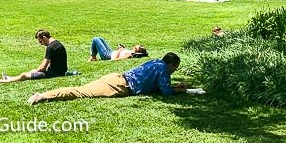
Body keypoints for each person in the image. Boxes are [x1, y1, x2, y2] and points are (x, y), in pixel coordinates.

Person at [28, 52, 187, 105]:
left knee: (81, 88)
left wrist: (174, 87)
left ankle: (44, 95)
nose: (174, 71)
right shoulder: (164, 69)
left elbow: (158, 87)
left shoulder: (156, 62)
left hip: (116, 77)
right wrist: (179, 91)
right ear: (171, 64)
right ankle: (43, 96)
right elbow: (165, 92)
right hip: (120, 86)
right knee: (80, 92)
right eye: (175, 68)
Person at [0, 29, 70, 83]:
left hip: (55, 74)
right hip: (59, 71)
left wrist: (37, 71)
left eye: (40, 41)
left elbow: (43, 67)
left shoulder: (51, 47)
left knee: (24, 75)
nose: (41, 44)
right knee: (33, 70)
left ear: (44, 38)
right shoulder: (58, 44)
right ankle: (9, 78)